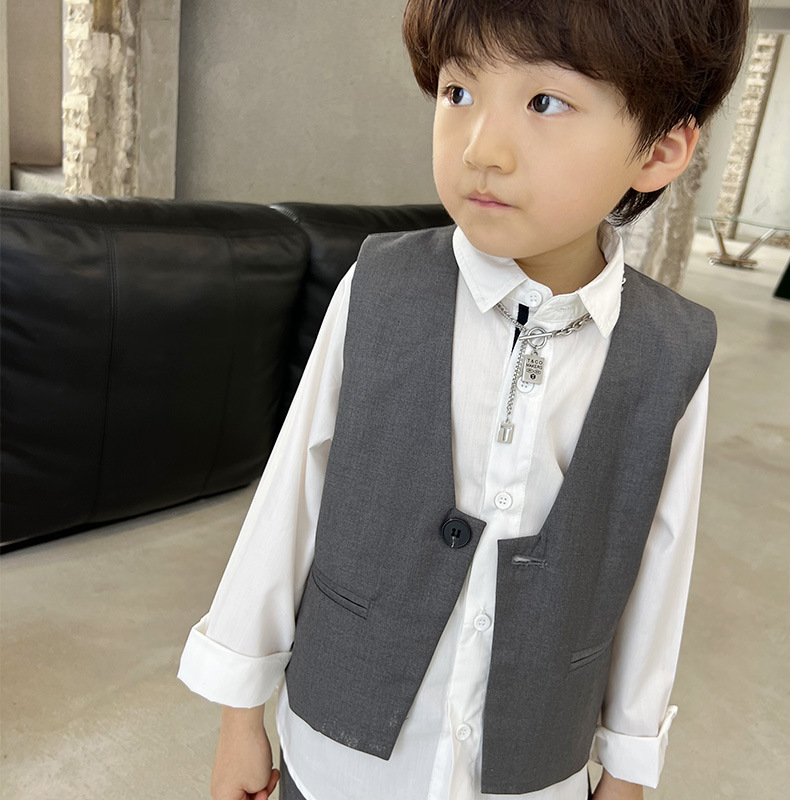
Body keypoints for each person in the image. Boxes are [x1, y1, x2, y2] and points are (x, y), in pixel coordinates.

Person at [178, 1, 749, 798]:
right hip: (338, 761)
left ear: (658, 150)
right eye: (458, 92)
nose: (481, 149)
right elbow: (290, 502)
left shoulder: (671, 350)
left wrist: (627, 768)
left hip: (531, 771)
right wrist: (240, 713)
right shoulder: (380, 288)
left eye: (545, 101)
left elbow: (658, 565)